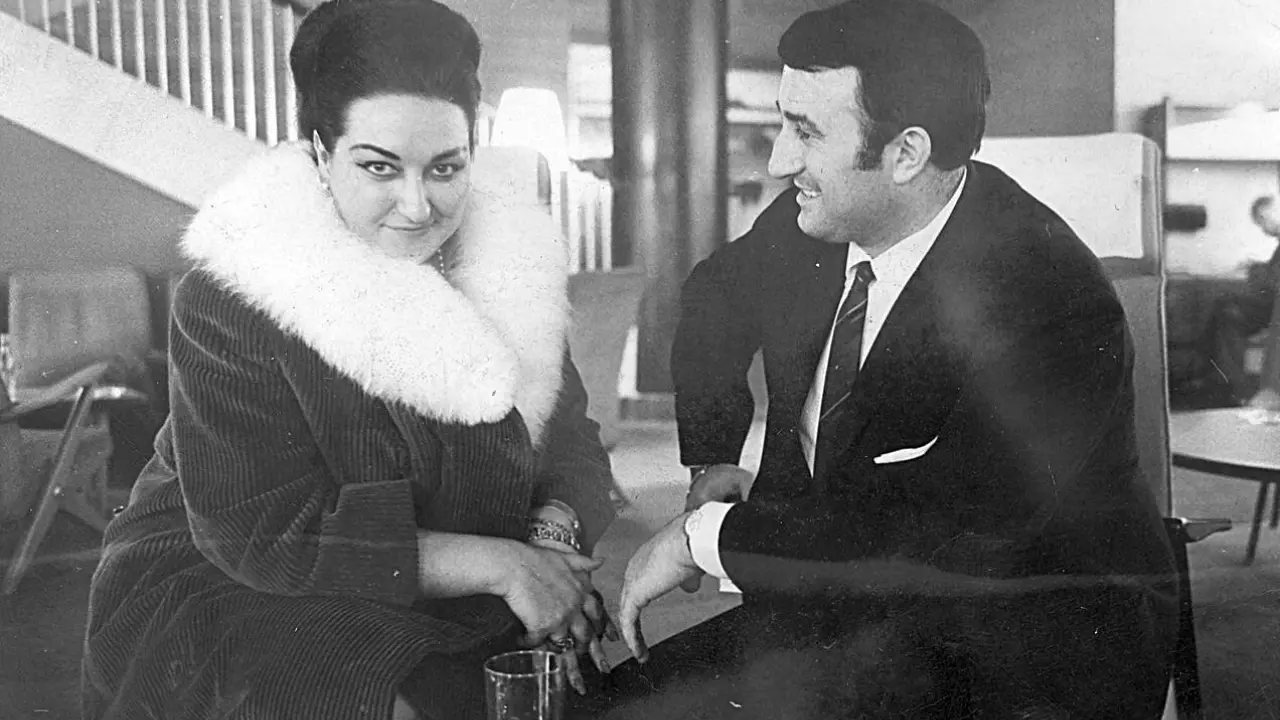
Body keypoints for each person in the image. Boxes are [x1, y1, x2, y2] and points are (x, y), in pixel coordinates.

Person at [606, 1, 1179, 718]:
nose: (780, 162)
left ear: (906, 153)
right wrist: (710, 460)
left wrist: (700, 539)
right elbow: (714, 296)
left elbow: (938, 540)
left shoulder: (1049, 297)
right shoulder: (818, 218)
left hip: (1014, 652)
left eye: (807, 132)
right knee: (606, 707)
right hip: (841, 611)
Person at [80, 1, 617, 718]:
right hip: (236, 579)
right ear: (319, 153)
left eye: (446, 168)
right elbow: (258, 533)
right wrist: (506, 565)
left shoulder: (510, 265)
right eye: (379, 167)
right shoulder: (238, 290)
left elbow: (572, 442)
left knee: (550, 688)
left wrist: (548, 542)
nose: (418, 206)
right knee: (391, 697)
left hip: (462, 572)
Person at [1199, 195, 1280, 404]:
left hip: (1273, 310)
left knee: (1225, 311)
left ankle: (1231, 385)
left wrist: (1255, 270)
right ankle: (1222, 380)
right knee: (1224, 309)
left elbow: (1272, 282)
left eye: (1263, 219)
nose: (1263, 227)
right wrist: (1258, 267)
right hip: (1270, 305)